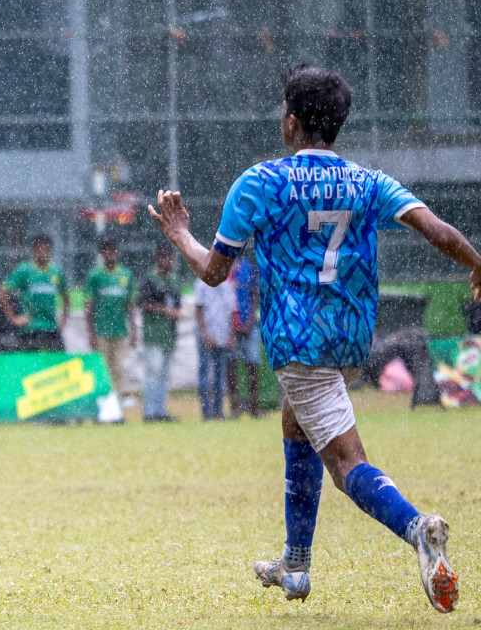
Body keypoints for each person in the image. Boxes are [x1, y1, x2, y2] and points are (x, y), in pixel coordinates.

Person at [150, 65, 479, 612]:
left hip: (298, 342)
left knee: (348, 464)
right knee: (293, 420)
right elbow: (435, 228)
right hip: (348, 339)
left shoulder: (260, 183)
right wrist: (476, 263)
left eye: (283, 107)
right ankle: (295, 565)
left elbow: (213, 272)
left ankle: (418, 528)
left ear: (292, 120)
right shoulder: (370, 181)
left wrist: (181, 232)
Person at [137, 244, 186, 422]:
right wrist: (167, 311)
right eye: (165, 258)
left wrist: (176, 314)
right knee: (153, 373)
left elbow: (177, 305)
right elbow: (143, 303)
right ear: (158, 259)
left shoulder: (174, 280)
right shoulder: (150, 278)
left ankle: (160, 411)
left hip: (169, 334)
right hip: (154, 334)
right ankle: (149, 412)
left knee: (165, 374)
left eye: (170, 258)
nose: (168, 262)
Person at [0, 234, 68, 352]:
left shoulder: (56, 271)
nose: (43, 253)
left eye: (46, 250)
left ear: (51, 251)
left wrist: (63, 320)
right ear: (33, 250)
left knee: (59, 363)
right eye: (39, 249)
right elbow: (1, 292)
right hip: (30, 328)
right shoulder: (24, 270)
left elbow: (66, 298)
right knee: (29, 365)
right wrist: (13, 318)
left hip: (51, 328)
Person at [84, 237, 135, 399]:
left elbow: (129, 305)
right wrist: (91, 333)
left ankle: (116, 408)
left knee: (119, 369)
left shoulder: (125, 275)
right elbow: (89, 306)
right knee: (102, 370)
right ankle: (103, 406)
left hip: (119, 330)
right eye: (106, 251)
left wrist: (134, 330)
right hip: (101, 331)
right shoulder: (95, 276)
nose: (110, 254)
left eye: (112, 250)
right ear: (101, 254)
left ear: (117, 252)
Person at [194, 270, 235, 420]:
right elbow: (198, 311)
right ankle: (206, 410)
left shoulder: (228, 286)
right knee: (205, 372)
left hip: (222, 334)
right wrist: (205, 335)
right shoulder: (201, 284)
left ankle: (218, 410)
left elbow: (231, 312)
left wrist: (231, 336)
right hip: (206, 335)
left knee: (220, 373)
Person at [227, 256, 263, 418]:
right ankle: (235, 407)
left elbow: (255, 295)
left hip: (249, 324)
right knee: (231, 366)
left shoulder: (248, 269)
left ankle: (255, 407)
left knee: (252, 365)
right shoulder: (224, 268)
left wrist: (248, 321)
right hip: (229, 327)